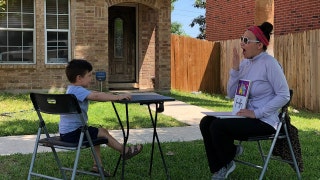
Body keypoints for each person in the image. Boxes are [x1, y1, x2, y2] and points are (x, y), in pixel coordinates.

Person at [199, 22, 290, 179]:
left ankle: (227, 160)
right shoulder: (246, 63)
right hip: (245, 115)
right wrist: (235, 70)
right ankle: (222, 164)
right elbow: (231, 94)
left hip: (265, 120)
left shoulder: (270, 64)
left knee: (217, 127)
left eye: (246, 40)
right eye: (242, 39)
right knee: (206, 122)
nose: (242, 43)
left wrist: (257, 113)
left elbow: (284, 95)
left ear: (259, 45)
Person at [60, 59, 143, 176]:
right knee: (102, 133)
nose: (91, 78)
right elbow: (96, 95)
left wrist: (112, 94)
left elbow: (92, 92)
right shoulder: (77, 91)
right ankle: (124, 151)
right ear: (79, 78)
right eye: (89, 75)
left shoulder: (72, 89)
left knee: (97, 133)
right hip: (74, 134)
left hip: (67, 134)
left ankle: (97, 166)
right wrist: (118, 97)